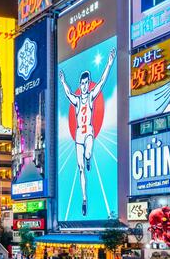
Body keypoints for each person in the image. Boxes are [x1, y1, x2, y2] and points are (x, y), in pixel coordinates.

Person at [59, 48, 115, 216]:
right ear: (80, 84)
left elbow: (103, 82)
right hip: (78, 137)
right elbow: (68, 93)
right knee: (81, 168)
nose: (84, 86)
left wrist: (109, 63)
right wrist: (62, 81)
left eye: (86, 83)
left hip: (89, 133)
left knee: (88, 154)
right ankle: (84, 199)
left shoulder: (91, 96)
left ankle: (89, 158)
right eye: (82, 84)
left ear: (88, 83)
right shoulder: (77, 100)